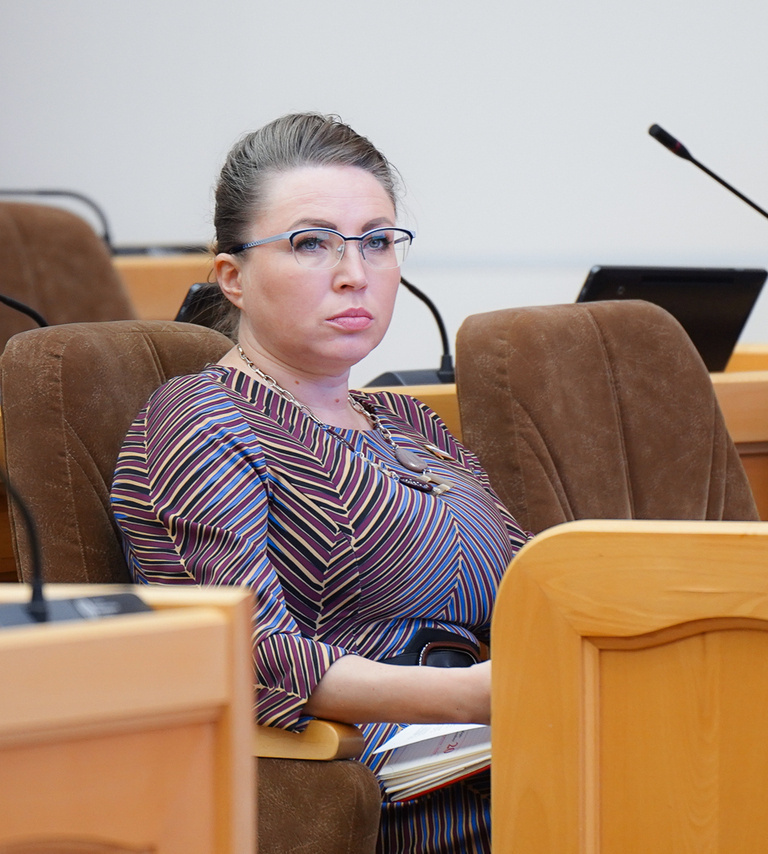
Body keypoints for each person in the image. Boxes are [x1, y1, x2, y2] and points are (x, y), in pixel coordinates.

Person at [110, 113, 529, 853]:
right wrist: (472, 696)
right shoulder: (202, 420)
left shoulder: (409, 420)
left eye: (377, 241)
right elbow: (245, 650)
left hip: (509, 746)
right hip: (380, 789)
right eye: (311, 243)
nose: (354, 272)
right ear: (232, 277)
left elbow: (533, 582)